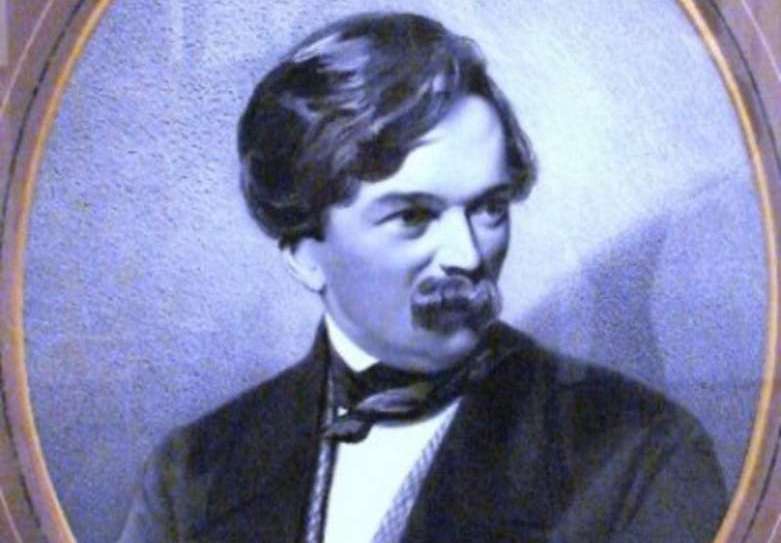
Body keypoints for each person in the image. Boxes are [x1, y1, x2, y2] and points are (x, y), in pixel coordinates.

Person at [119, 12, 727, 543]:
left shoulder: (640, 457)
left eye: (489, 208)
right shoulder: (193, 475)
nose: (466, 256)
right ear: (305, 253)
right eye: (413, 217)